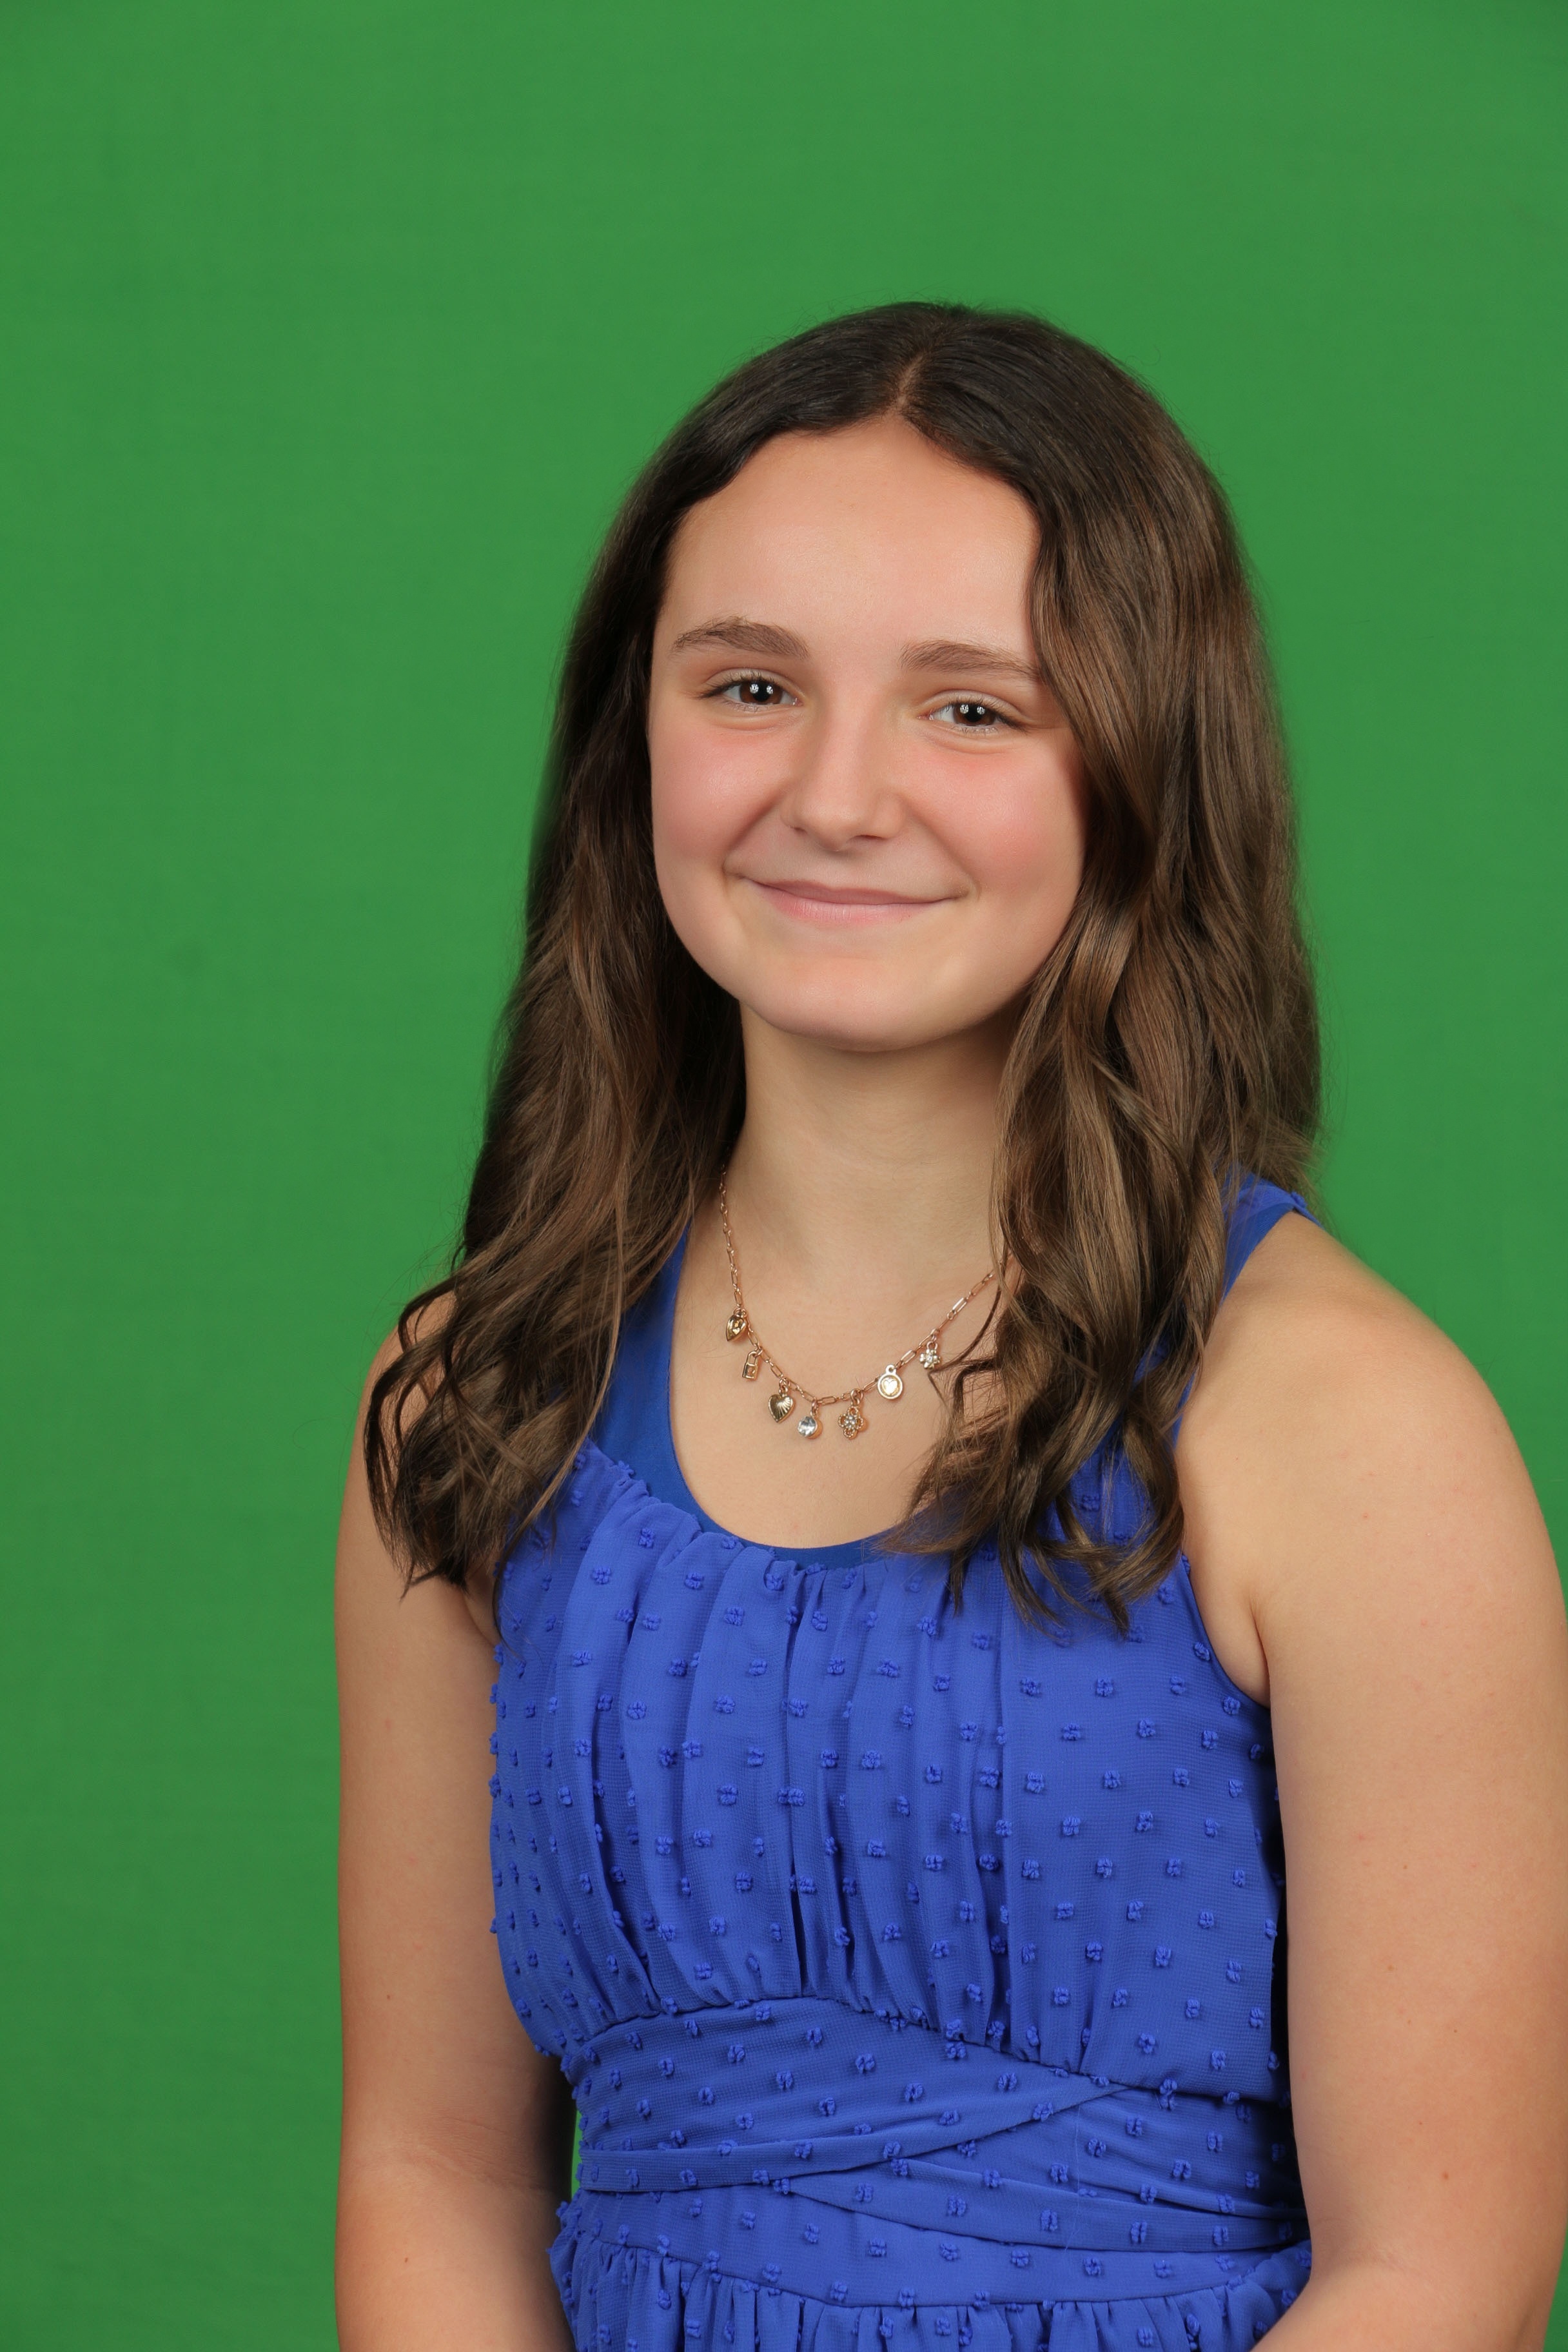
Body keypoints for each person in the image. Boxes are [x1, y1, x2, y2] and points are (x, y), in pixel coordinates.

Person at [333, 303, 1568, 2352]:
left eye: (973, 709)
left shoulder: (1346, 1423)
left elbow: (1441, 2274)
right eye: (750, 685)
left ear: (1144, 767)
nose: (838, 795)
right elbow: (432, 2169)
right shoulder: (481, 1392)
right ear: (632, 732)